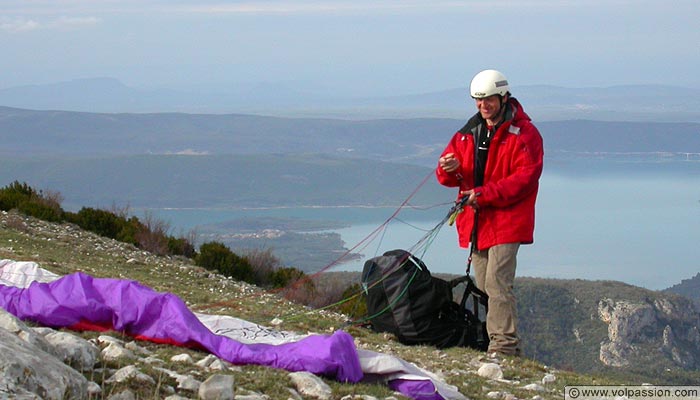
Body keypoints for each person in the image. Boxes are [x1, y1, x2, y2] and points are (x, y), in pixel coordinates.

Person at [435, 69, 544, 356]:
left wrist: (483, 195)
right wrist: (448, 169)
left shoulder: (525, 134)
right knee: (484, 284)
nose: (483, 106)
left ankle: (504, 347)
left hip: (508, 220)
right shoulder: (467, 133)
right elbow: (449, 177)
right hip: (478, 220)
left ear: (503, 97)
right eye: (478, 100)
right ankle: (499, 342)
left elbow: (525, 178)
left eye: (489, 100)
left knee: (497, 282)